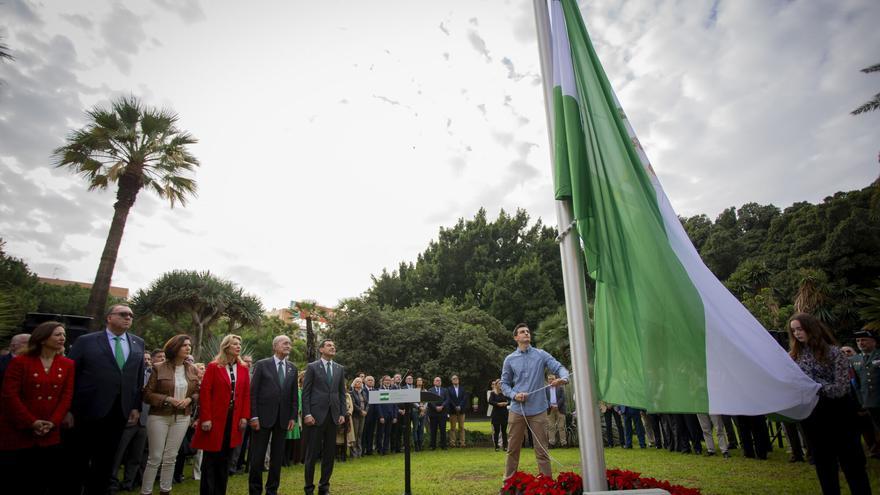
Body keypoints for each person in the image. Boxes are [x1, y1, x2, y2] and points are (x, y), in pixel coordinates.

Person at [788, 313, 871, 495]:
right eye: (793, 330)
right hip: (814, 417)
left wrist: (814, 386)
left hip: (840, 414)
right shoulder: (794, 357)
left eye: (800, 329)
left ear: (811, 328)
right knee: (825, 467)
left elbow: (840, 388)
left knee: (853, 465)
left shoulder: (834, 353)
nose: (797, 334)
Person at [67, 305, 146, 495]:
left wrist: (135, 407)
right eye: (123, 314)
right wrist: (68, 409)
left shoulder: (137, 343)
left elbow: (137, 378)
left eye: (131, 315)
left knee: (106, 459)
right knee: (79, 458)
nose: (128, 317)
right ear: (109, 317)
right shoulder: (87, 341)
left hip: (119, 411)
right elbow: (71, 376)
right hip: (88, 410)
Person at [0, 321, 74, 494]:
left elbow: (66, 396)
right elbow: (9, 396)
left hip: (49, 432)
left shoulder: (67, 364)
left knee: (43, 480)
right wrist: (31, 422)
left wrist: (53, 422)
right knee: (16, 479)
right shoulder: (20, 362)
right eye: (57, 334)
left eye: (63, 334)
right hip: (19, 430)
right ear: (42, 338)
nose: (62, 338)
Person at [500, 323, 569, 482]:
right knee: (512, 449)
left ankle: (546, 484)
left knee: (542, 451)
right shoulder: (509, 359)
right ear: (516, 337)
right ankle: (508, 484)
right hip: (517, 410)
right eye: (522, 332)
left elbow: (559, 367)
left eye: (528, 331)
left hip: (539, 410)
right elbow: (504, 384)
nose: (526, 334)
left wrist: (564, 378)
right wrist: (514, 395)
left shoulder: (541, 354)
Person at [191, 334, 251, 495]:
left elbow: (246, 394)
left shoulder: (244, 368)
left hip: (234, 419)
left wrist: (244, 416)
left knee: (226, 458)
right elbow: (205, 393)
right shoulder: (213, 366)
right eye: (234, 344)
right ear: (226, 347)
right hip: (216, 419)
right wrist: (206, 418)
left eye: (239, 344)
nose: (238, 346)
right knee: (211, 458)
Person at [139, 334, 200, 495]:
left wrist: (189, 399)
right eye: (184, 345)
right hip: (159, 416)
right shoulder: (159, 367)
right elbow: (147, 394)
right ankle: (146, 491)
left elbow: (197, 392)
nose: (188, 348)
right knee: (155, 457)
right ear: (175, 347)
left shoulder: (192, 369)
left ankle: (165, 490)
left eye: (189, 345)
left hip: (182, 417)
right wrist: (168, 399)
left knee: (171, 456)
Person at [248, 335, 298, 495]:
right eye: (285, 343)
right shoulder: (262, 365)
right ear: (275, 346)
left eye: (289, 344)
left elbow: (293, 396)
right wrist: (253, 416)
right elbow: (253, 392)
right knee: (257, 457)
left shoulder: (292, 368)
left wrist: (293, 417)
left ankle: (272, 490)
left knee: (277, 458)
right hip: (262, 418)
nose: (288, 346)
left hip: (283, 419)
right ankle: (255, 490)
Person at [302, 339, 346, 495]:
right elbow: (306, 393)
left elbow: (341, 393)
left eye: (334, 345)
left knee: (329, 454)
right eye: (329, 345)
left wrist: (342, 413)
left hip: (333, 416)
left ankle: (324, 487)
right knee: (312, 454)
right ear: (321, 349)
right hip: (315, 416)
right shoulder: (312, 367)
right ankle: (308, 488)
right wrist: (307, 413)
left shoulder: (339, 368)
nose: (333, 347)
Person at [112, 352, 153, 492]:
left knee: (137, 455)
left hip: (144, 422)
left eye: (148, 359)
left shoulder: (152, 376)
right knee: (118, 454)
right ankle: (112, 482)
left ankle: (129, 482)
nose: (146, 361)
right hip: (128, 420)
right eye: (144, 359)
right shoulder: (129, 377)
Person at [852, 329, 880, 448]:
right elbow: (855, 383)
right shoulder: (854, 360)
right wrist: (860, 401)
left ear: (873, 342)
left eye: (864, 340)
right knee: (874, 428)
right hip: (867, 401)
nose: (860, 343)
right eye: (858, 340)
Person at [544, 374, 567, 448]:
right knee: (551, 427)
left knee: (561, 427)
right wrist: (550, 404)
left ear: (555, 380)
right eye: (549, 379)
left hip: (559, 409)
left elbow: (563, 398)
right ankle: (551, 443)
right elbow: (544, 399)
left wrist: (557, 405)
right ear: (548, 381)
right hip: (550, 409)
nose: (551, 380)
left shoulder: (560, 388)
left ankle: (563, 443)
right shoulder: (546, 389)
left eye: (552, 379)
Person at [427, 376, 448, 450]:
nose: (438, 382)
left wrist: (442, 406)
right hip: (433, 413)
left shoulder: (445, 390)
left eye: (439, 380)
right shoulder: (430, 390)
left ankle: (444, 445)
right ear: (434, 382)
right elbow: (429, 401)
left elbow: (447, 400)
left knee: (443, 430)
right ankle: (433, 446)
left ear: (441, 382)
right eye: (436, 380)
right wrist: (435, 407)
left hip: (443, 413)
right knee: (433, 430)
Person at [488, 379, 509, 452]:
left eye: (501, 383)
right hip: (496, 414)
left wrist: (506, 403)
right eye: (499, 383)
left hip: (504, 413)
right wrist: (498, 404)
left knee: (504, 431)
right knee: (496, 431)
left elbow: (509, 400)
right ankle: (496, 446)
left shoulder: (505, 392)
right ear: (496, 385)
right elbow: (490, 401)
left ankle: (505, 446)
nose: (500, 385)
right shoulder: (493, 393)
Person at [447, 374, 467, 448]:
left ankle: (462, 443)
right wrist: (455, 406)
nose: (455, 380)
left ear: (458, 380)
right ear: (452, 381)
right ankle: (452, 443)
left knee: (461, 427)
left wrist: (460, 406)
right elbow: (449, 399)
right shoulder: (449, 389)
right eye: (454, 379)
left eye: (456, 379)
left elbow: (464, 398)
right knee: (453, 428)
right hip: (453, 411)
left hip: (461, 411)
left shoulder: (463, 389)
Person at [350, 376, 367, 457]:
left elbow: (367, 403)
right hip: (356, 416)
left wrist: (366, 411)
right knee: (355, 434)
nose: (359, 383)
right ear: (354, 383)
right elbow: (353, 404)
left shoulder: (363, 392)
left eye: (360, 382)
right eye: (357, 381)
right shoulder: (351, 393)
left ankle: (359, 452)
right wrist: (361, 411)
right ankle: (353, 453)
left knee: (360, 434)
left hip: (363, 416)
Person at [361, 375, 378, 455]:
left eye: (372, 380)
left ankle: (369, 450)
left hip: (374, 415)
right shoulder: (362, 390)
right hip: (365, 415)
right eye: (369, 380)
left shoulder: (375, 390)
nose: (371, 381)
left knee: (371, 433)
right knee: (364, 433)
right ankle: (363, 450)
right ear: (365, 381)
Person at [412, 377, 427, 451]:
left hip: (423, 412)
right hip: (415, 411)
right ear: (416, 382)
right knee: (415, 428)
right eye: (418, 380)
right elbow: (413, 401)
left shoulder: (425, 390)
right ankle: (416, 446)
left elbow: (427, 401)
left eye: (421, 380)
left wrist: (423, 409)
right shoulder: (413, 390)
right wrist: (419, 407)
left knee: (421, 429)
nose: (419, 381)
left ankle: (420, 445)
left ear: (422, 382)